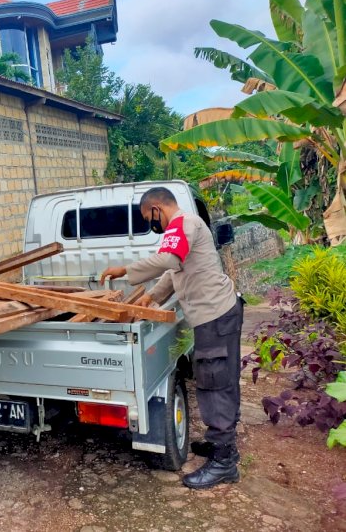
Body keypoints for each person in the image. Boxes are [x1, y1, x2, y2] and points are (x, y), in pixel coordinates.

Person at [99, 187, 243, 490]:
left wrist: (125, 269)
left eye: (148, 218)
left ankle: (224, 462)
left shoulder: (182, 223)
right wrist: (150, 296)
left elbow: (167, 259)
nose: (153, 224)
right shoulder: (185, 226)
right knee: (216, 380)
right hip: (215, 315)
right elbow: (174, 271)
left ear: (157, 209)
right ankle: (220, 444)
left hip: (215, 316)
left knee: (215, 384)